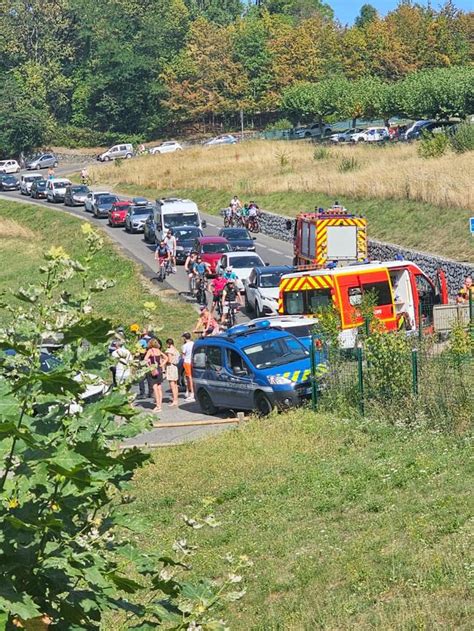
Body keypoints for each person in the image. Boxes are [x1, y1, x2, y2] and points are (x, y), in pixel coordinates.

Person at [144, 338, 166, 412]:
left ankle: (158, 405)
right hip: (159, 369)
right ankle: (160, 405)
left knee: (155, 388)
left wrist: (149, 366)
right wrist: (162, 364)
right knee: (159, 387)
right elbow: (166, 358)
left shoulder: (150, 350)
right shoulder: (158, 350)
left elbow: (145, 359)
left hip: (153, 369)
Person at [165, 339, 180, 407]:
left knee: (172, 384)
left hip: (171, 367)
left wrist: (165, 361)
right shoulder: (175, 350)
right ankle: (176, 399)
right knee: (175, 384)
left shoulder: (169, 351)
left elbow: (170, 360)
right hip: (175, 367)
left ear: (168, 344)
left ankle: (174, 400)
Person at [181, 332, 195, 402]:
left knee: (189, 377)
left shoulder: (185, 346)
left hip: (187, 362)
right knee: (190, 377)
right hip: (193, 361)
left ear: (184, 338)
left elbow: (183, 355)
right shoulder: (193, 343)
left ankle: (191, 393)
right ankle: (189, 391)